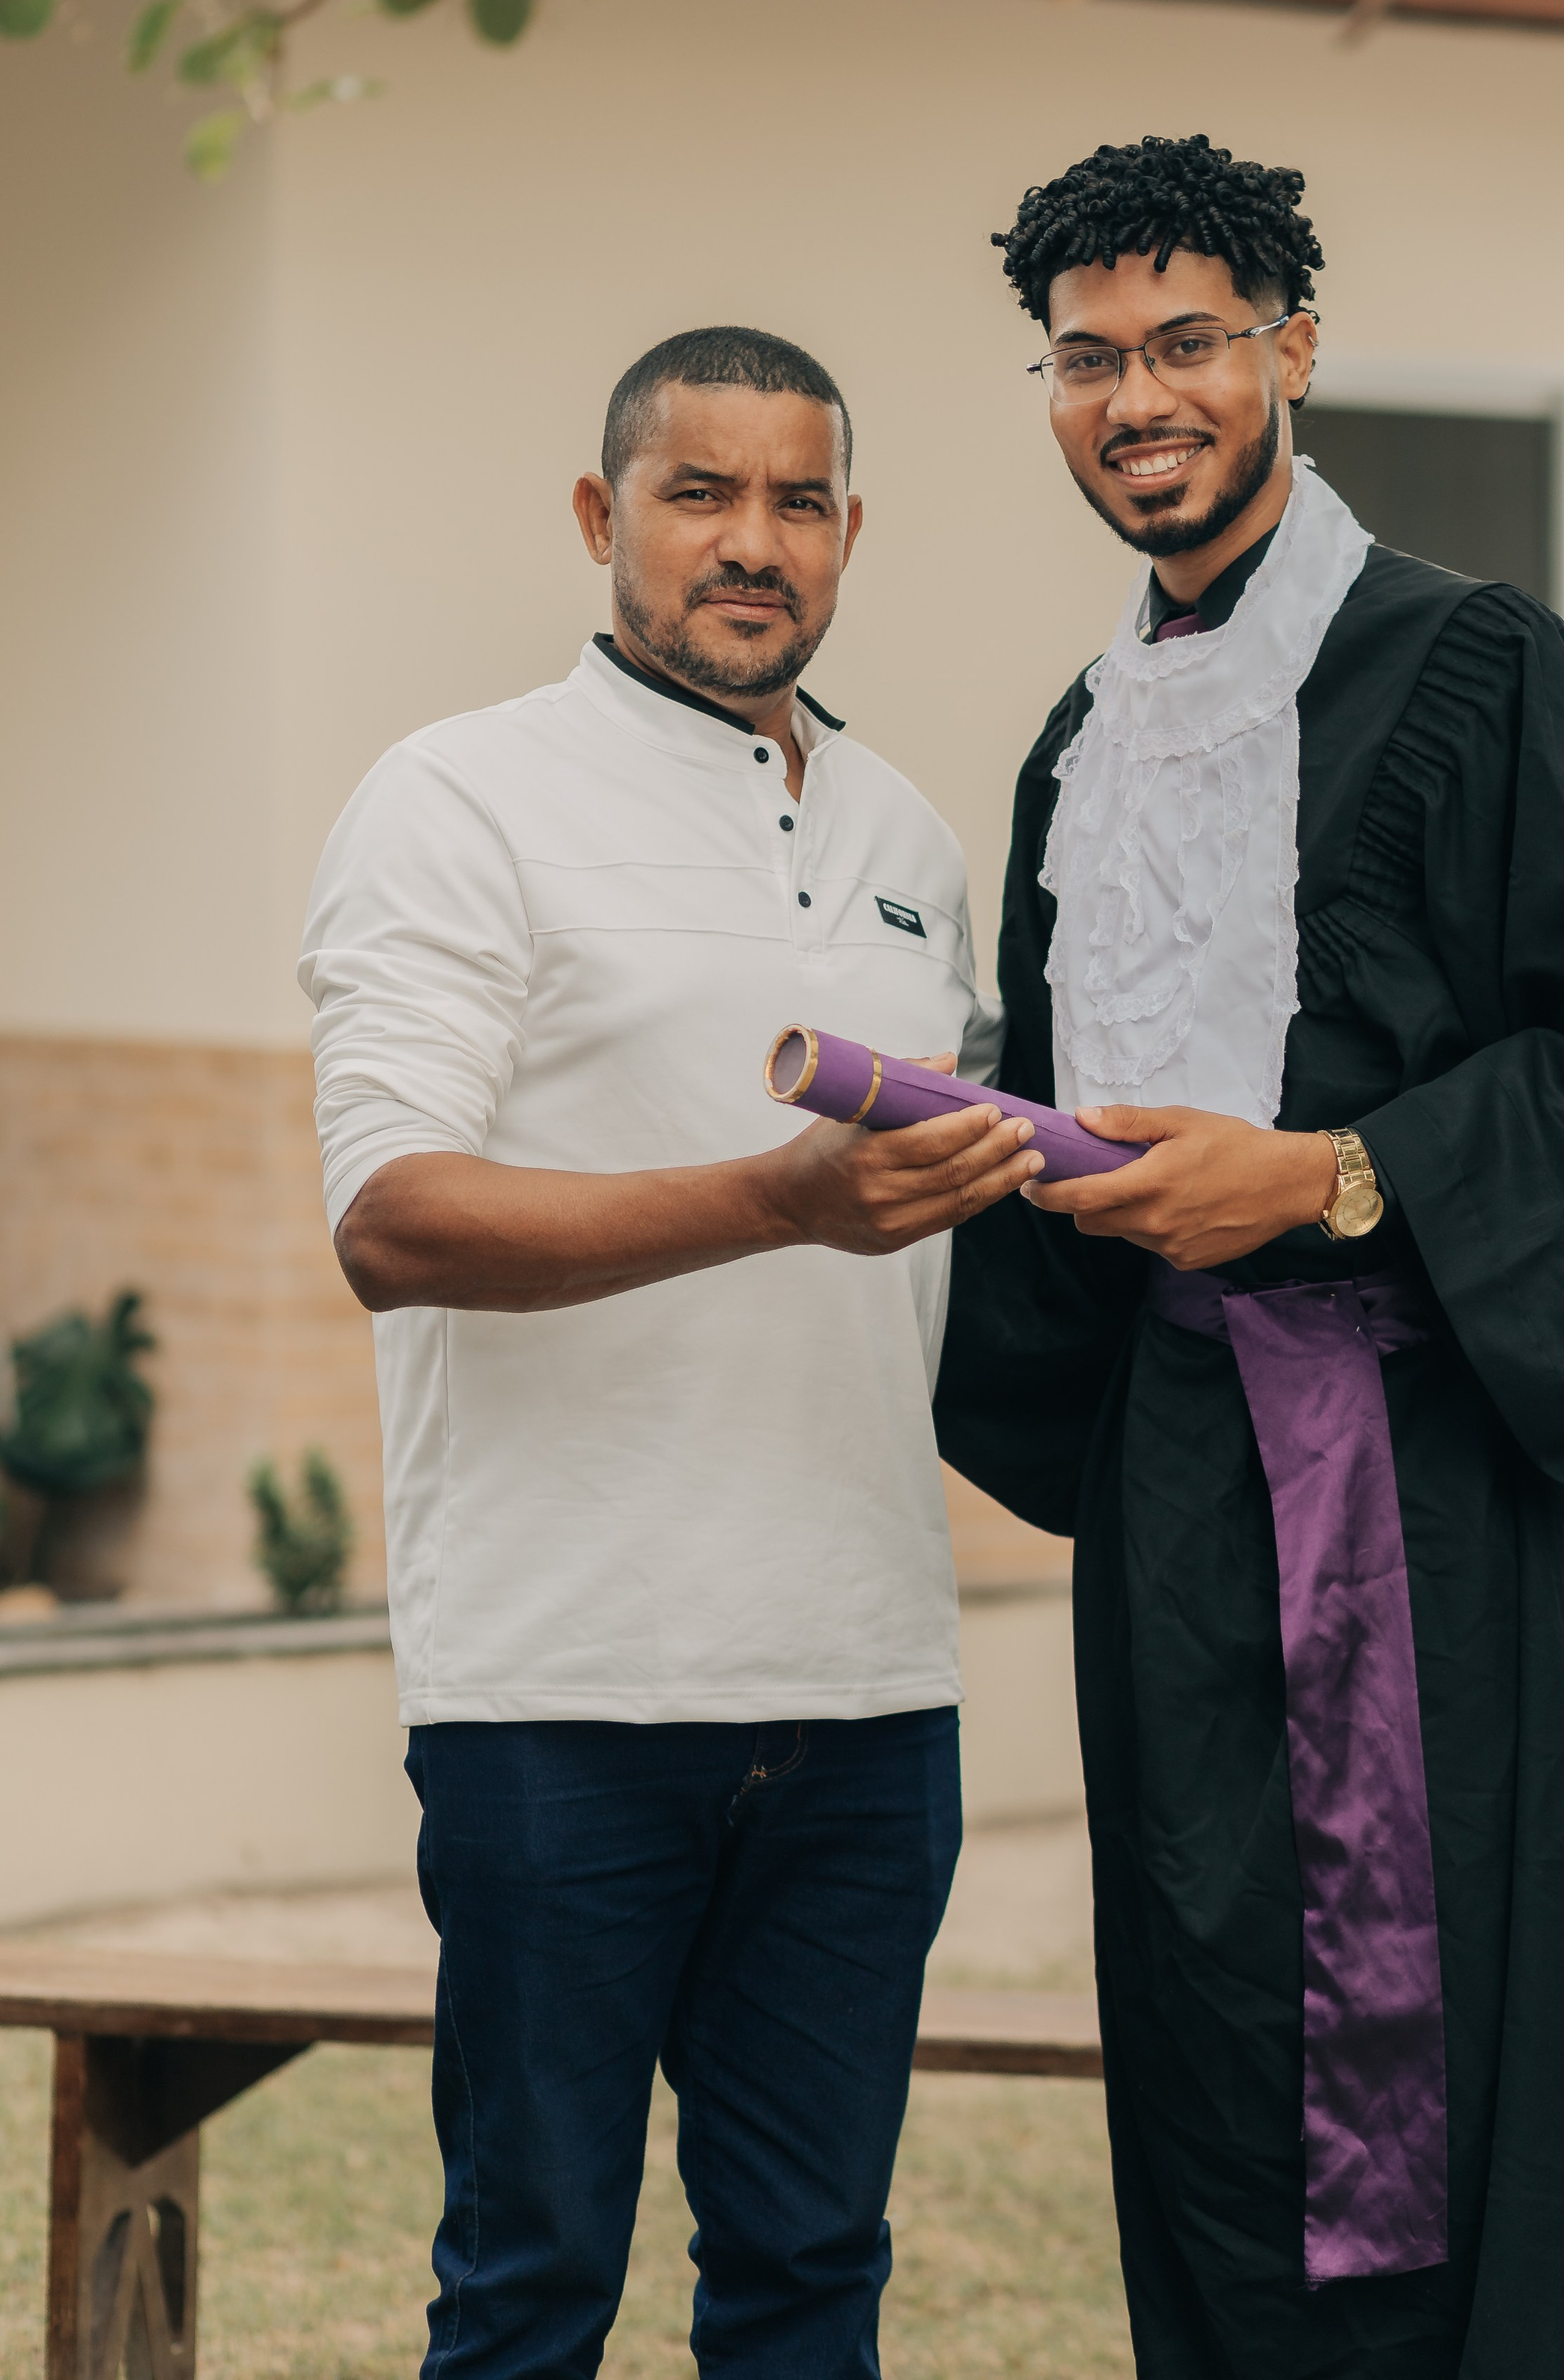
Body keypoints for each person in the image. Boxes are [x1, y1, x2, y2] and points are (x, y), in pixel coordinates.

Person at [934, 137, 1564, 2379]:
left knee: (1468, 2032)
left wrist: (1327, 1181)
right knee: (1221, 2017)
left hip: (1442, 1492)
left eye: (1190, 341)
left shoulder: (1488, 674)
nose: (1140, 397)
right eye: (1089, 358)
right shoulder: (1077, 752)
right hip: (1186, 1493)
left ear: (1294, 350)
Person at [299, 325, 1038, 2380]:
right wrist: (773, 1201)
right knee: (532, 2286)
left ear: (852, 532)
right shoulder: (457, 797)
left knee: (812, 2277)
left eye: (798, 500)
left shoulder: (903, 831)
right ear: (597, 515)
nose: (751, 541)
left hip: (871, 1692)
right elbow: (394, 1220)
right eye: (697, 491)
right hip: (562, 1693)